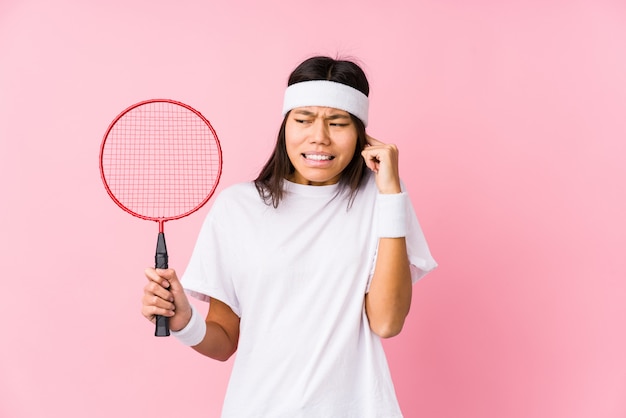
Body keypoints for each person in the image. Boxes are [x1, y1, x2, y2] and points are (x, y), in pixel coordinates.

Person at [142, 55, 437, 417]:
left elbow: (387, 323)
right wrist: (184, 321)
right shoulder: (239, 208)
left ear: (361, 133)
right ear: (285, 125)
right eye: (303, 120)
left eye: (338, 122)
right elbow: (224, 342)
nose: (320, 137)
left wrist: (391, 193)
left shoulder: (382, 199)